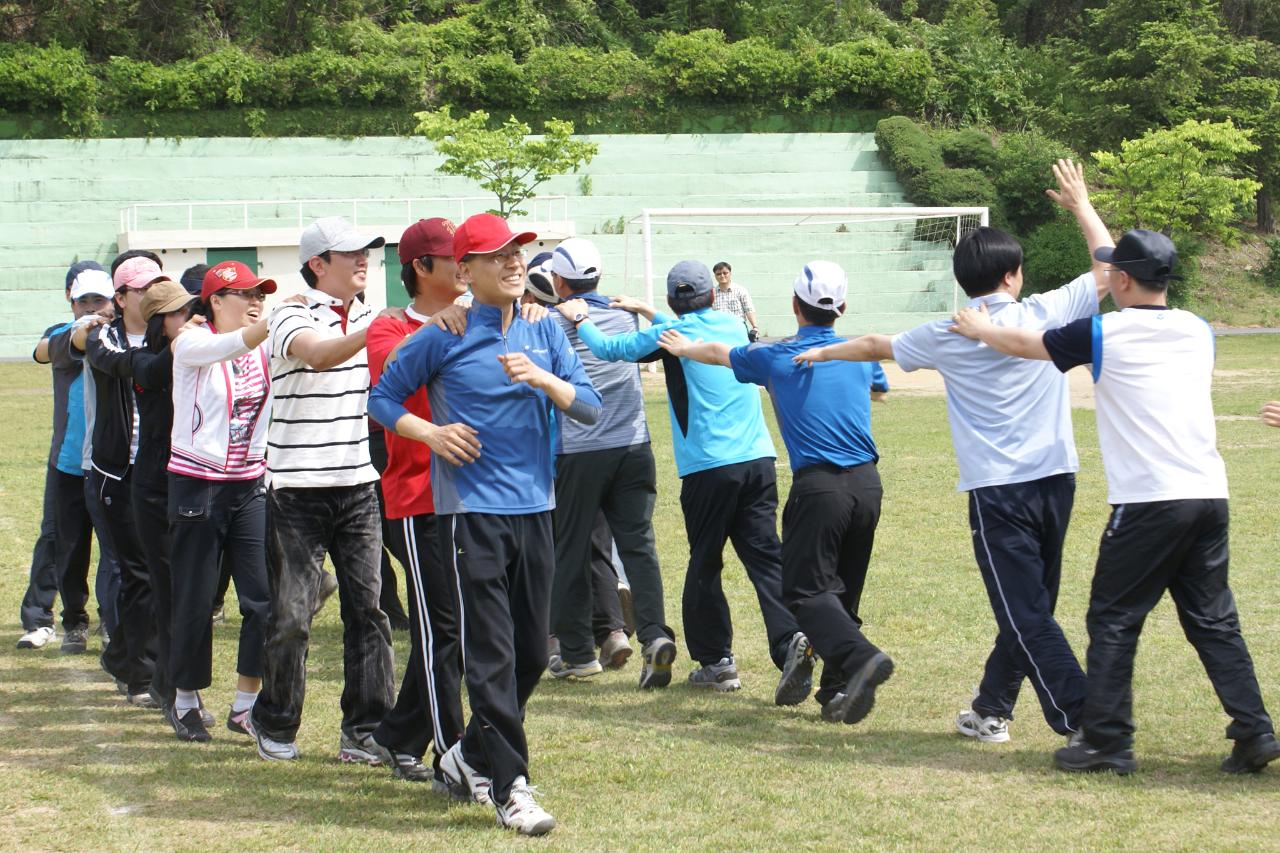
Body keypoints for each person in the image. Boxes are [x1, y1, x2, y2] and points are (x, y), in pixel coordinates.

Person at [793, 159, 1109, 744]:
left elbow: (872, 343)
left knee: (1026, 612)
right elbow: (1108, 271)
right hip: (1057, 481)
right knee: (1029, 607)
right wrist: (1082, 206)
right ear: (1014, 274)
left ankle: (1086, 722)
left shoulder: (948, 332)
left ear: (963, 281)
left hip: (998, 491)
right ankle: (991, 709)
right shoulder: (1045, 312)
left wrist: (820, 354)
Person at [952, 228, 1280, 776]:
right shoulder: (1199, 330)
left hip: (1150, 501)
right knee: (1213, 621)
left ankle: (1106, 741)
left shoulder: (1105, 333)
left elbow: (1027, 345)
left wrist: (980, 327)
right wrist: (1082, 209)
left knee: (1112, 618)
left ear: (1123, 279)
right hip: (1208, 495)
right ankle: (1255, 732)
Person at [369, 213, 602, 836]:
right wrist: (432, 432)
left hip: (537, 509)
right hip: (469, 517)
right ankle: (510, 786)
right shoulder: (441, 334)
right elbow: (383, 401)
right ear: (465, 272)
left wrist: (546, 379)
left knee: (530, 654)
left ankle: (466, 752)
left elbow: (589, 407)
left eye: (518, 252)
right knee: (491, 657)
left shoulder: (544, 327)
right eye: (496, 255)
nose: (513, 262)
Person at [660, 261, 893, 724]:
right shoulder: (859, 353)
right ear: (841, 308)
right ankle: (835, 692)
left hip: (820, 488)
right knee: (841, 591)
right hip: (868, 484)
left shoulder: (775, 356)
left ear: (794, 305)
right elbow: (880, 391)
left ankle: (860, 657)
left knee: (804, 591)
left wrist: (684, 346)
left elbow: (717, 354)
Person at [570, 260, 813, 704]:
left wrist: (580, 317)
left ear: (672, 302)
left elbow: (608, 349)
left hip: (708, 467)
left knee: (705, 562)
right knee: (765, 558)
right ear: (712, 295)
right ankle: (790, 639)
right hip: (758, 459)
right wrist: (647, 309)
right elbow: (687, 330)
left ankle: (717, 663)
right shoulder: (735, 325)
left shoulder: (670, 337)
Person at [250, 217, 396, 764]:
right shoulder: (288, 312)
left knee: (371, 612)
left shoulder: (368, 313)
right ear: (317, 264)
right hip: (296, 490)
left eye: (366, 252)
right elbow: (318, 353)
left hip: (358, 483)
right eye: (349, 253)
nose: (363, 260)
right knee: (291, 616)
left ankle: (365, 729)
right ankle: (275, 721)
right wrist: (379, 331)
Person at [364, 217, 469, 787]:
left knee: (459, 626)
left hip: (477, 497)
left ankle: (396, 733)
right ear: (421, 269)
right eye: (454, 257)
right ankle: (453, 753)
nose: (465, 265)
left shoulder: (481, 318)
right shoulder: (388, 327)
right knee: (443, 629)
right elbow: (392, 382)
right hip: (419, 497)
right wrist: (439, 330)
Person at [547, 237, 676, 684]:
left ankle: (579, 654)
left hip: (578, 453)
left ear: (557, 280)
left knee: (571, 551)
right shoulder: (623, 315)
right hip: (634, 448)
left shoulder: (550, 322)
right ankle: (655, 635)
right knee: (639, 547)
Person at [164, 262, 278, 743]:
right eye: (242, 294)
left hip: (249, 484)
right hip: (198, 485)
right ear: (213, 301)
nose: (255, 302)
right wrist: (269, 326)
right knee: (195, 598)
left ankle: (245, 704)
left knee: (262, 599)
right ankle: (185, 699)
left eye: (260, 294)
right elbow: (224, 346)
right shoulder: (191, 342)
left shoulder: (263, 343)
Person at [81, 254, 173, 708]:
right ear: (120, 298)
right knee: (139, 574)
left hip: (166, 469)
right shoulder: (104, 335)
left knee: (164, 572)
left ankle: (121, 656)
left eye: (160, 285)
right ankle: (142, 674)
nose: (154, 295)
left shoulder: (170, 331)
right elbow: (116, 363)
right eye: (142, 289)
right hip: (118, 471)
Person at [18, 262, 116, 653]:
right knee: (60, 541)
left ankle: (112, 619)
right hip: (68, 463)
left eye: (100, 299)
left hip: (110, 464)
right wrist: (82, 331)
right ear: (70, 301)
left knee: (116, 547)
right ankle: (49, 619)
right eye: (84, 300)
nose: (92, 306)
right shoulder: (63, 334)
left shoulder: (123, 336)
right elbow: (44, 351)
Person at [713, 261, 760, 341]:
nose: (722, 276)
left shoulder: (741, 290)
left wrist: (755, 327)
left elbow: (748, 309)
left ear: (730, 273)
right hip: (720, 330)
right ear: (715, 276)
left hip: (738, 329)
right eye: (718, 274)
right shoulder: (712, 293)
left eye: (725, 273)